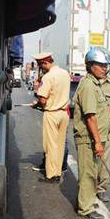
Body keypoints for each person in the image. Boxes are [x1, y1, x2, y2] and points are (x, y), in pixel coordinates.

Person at [72, 47, 110, 219]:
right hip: (88, 139)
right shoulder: (88, 86)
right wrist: (98, 142)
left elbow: (107, 110)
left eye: (105, 65)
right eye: (100, 65)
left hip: (97, 137)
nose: (104, 68)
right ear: (90, 66)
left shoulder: (97, 84)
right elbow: (90, 117)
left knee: (92, 172)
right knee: (88, 173)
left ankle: (86, 200)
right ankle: (85, 208)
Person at [31, 52, 70, 183]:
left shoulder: (48, 77)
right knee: (60, 146)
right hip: (64, 113)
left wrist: (35, 105)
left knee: (50, 146)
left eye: (41, 66)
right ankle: (58, 173)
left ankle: (51, 175)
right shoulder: (65, 74)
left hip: (52, 114)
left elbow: (42, 100)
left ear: (45, 63)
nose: (41, 69)